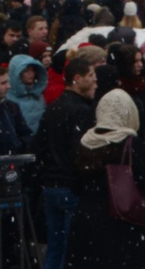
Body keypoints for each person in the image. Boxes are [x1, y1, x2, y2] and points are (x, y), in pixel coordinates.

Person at [69, 88, 145, 269]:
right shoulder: (129, 143)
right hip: (121, 221)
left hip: (85, 221)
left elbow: (74, 184)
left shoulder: (85, 141)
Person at [35, 54, 100, 269]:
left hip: (51, 186)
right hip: (70, 187)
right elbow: (79, 151)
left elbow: (40, 146)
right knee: (70, 247)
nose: (95, 80)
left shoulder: (53, 108)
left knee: (56, 245)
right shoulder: (80, 111)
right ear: (77, 78)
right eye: (91, 75)